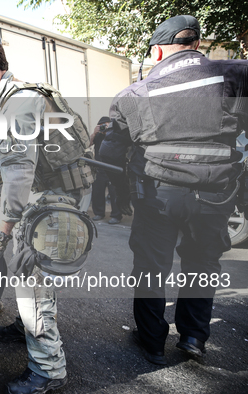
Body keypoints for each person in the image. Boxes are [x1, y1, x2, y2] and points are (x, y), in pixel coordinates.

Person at [99, 15, 248, 365]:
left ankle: (151, 341)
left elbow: (110, 151)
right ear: (196, 45)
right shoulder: (235, 75)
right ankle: (193, 337)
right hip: (215, 194)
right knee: (202, 263)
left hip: (158, 196)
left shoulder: (134, 93)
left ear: (158, 51)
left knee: (152, 267)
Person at [0, 35, 94, 393]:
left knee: (30, 278)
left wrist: (0, 234)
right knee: (32, 278)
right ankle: (25, 326)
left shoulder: (16, 104)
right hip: (57, 196)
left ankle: (48, 371)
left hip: (46, 204)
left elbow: (18, 178)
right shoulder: (25, 93)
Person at [90, 116, 122, 224]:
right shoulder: (98, 136)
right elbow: (86, 144)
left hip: (112, 168)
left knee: (115, 193)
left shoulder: (115, 134)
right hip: (99, 167)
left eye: (106, 125)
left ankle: (116, 215)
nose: (104, 128)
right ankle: (99, 213)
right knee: (97, 192)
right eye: (102, 126)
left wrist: (110, 131)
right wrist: (94, 133)